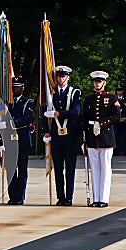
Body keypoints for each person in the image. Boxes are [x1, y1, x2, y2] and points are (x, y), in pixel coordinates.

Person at [42, 65, 81, 206]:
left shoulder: (74, 92)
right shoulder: (51, 94)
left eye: (63, 76)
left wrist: (59, 114)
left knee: (70, 168)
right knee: (58, 168)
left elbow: (75, 112)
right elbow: (44, 114)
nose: (61, 79)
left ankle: (69, 197)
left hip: (70, 136)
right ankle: (60, 197)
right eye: (59, 76)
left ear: (68, 77)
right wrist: (46, 130)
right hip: (56, 136)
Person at [83, 71, 120, 207]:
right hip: (92, 138)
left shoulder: (111, 98)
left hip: (105, 137)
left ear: (104, 82)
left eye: (99, 81)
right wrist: (84, 139)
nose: (97, 83)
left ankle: (103, 199)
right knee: (95, 170)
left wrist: (102, 123)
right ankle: (96, 198)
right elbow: (85, 120)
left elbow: (116, 116)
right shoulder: (88, 100)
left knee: (105, 169)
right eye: (95, 81)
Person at [0, 76, 33, 205]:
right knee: (10, 169)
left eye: (17, 87)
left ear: (22, 88)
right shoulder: (6, 104)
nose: (15, 89)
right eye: (13, 87)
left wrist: (10, 123)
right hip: (9, 141)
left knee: (22, 169)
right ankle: (12, 196)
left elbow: (27, 118)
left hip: (22, 140)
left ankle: (20, 197)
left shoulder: (28, 103)